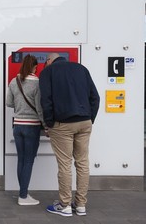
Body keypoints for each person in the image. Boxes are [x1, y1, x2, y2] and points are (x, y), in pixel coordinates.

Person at [39, 53, 100, 217]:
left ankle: (64, 205)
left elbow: (46, 100)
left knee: (65, 164)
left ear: (48, 61)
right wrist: (90, 118)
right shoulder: (82, 69)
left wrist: (50, 123)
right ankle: (80, 205)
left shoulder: (48, 72)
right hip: (84, 122)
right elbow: (95, 97)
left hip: (62, 124)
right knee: (82, 163)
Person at [6, 54, 45, 206]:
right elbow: (40, 108)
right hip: (32, 126)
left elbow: (9, 103)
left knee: (21, 159)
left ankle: (23, 193)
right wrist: (45, 125)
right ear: (35, 67)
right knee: (28, 160)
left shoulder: (14, 81)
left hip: (17, 126)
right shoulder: (37, 83)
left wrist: (20, 107)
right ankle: (23, 196)